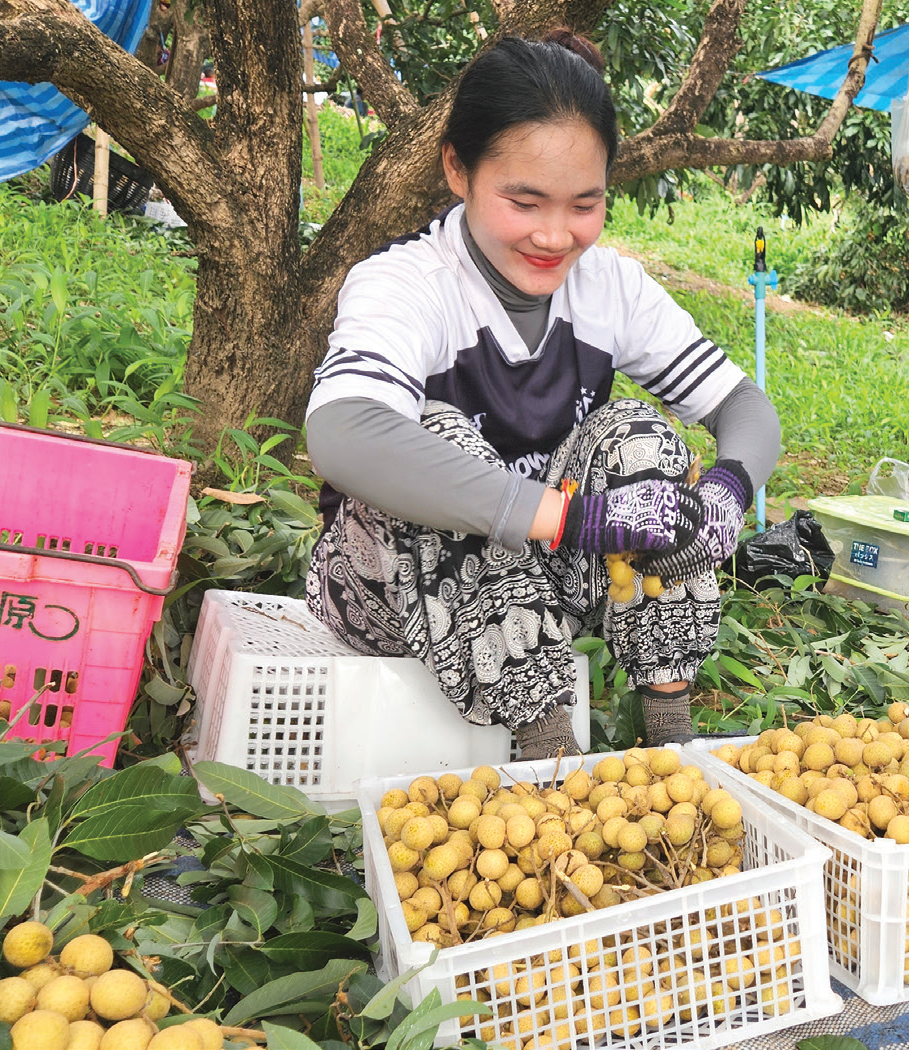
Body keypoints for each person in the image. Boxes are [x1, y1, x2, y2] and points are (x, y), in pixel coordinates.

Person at [299, 32, 780, 756]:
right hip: (392, 591)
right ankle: (543, 749)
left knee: (635, 435)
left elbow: (742, 407)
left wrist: (727, 494)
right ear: (457, 169)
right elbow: (342, 432)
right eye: (524, 202)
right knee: (441, 442)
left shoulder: (610, 288)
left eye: (585, 204)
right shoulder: (406, 283)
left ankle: (671, 736)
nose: (555, 236)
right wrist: (570, 518)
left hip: (548, 585)